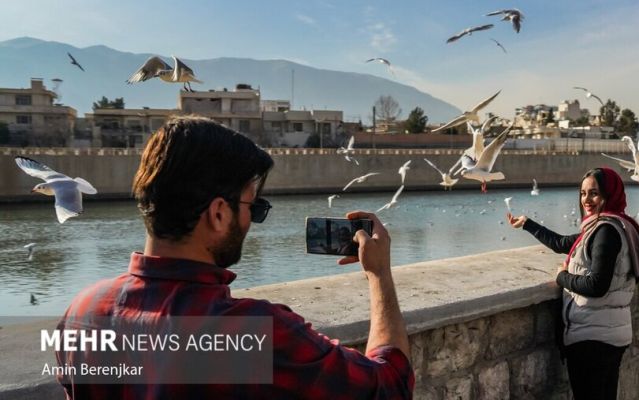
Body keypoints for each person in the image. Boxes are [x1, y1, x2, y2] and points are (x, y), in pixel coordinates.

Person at [55, 116, 413, 399]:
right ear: (219, 213)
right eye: (253, 207)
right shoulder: (259, 332)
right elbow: (389, 385)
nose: (251, 222)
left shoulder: (83, 312)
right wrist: (379, 274)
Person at [508, 167, 639, 400]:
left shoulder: (606, 232)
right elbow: (562, 243)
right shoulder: (611, 226)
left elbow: (597, 285)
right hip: (607, 333)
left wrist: (562, 277)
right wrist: (527, 223)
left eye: (594, 193)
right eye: (582, 193)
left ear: (609, 194)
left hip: (593, 338)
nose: (586, 200)